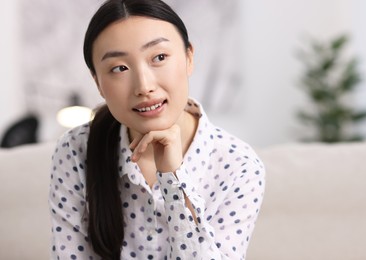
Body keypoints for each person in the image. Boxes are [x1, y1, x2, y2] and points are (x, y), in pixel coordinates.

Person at [48, 0, 265, 259]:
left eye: (159, 57)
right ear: (98, 83)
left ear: (188, 57)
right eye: (119, 68)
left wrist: (174, 178)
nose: (144, 85)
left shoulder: (238, 165)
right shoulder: (75, 150)